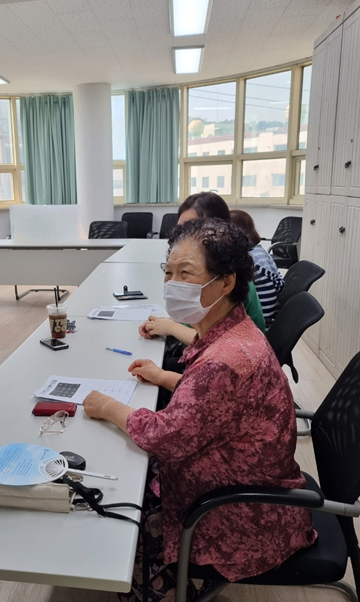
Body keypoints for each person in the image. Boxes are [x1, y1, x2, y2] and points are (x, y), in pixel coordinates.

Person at [83, 219, 316, 602]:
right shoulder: (235, 331)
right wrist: (165, 377)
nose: (172, 283)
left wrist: (107, 406)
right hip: (247, 484)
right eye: (169, 272)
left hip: (242, 515)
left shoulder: (224, 361)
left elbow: (165, 438)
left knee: (115, 516)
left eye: (186, 273)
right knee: (121, 477)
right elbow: (218, 404)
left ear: (226, 282)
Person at [140, 192, 265, 350]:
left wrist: (171, 328)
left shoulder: (231, 279)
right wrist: (165, 324)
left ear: (219, 229)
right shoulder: (207, 280)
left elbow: (215, 341)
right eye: (180, 229)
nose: (183, 236)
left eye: (192, 227)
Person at [230, 209, 284, 326]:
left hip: (256, 323)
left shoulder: (249, 260)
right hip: (267, 316)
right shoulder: (259, 252)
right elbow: (280, 284)